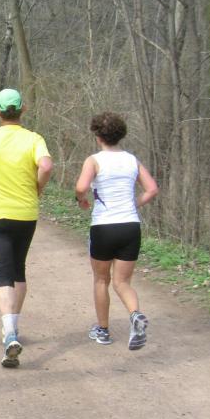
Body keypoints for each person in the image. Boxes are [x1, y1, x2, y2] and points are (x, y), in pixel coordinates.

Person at [0, 89, 53, 367]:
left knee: (3, 273)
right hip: (26, 213)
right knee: (18, 269)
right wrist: (37, 187)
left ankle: (10, 332)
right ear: (23, 109)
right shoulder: (34, 139)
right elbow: (46, 166)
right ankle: (12, 327)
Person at [74, 112, 158, 350]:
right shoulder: (132, 160)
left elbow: (81, 187)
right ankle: (135, 315)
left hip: (104, 226)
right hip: (130, 226)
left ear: (98, 136)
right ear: (120, 135)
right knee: (123, 282)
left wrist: (81, 199)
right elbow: (152, 189)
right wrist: (133, 204)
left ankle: (103, 331)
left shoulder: (93, 160)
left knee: (102, 280)